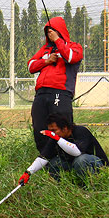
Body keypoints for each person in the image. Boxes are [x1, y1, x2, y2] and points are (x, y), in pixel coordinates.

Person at [27, 16, 83, 154]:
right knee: (39, 128)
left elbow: (71, 57)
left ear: (60, 31)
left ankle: (66, 159)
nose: (49, 34)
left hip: (60, 93)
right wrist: (46, 61)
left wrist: (58, 41)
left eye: (52, 31)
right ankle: (46, 160)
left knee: (61, 128)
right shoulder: (45, 49)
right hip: (41, 94)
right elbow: (31, 66)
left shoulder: (73, 47)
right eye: (48, 31)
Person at [18, 112, 109, 186]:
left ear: (65, 128)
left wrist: (57, 138)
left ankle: (89, 188)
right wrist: (28, 172)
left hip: (97, 165)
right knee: (53, 163)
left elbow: (77, 152)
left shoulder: (81, 131)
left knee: (81, 160)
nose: (51, 133)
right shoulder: (56, 138)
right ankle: (65, 188)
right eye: (50, 130)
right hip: (74, 164)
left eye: (54, 130)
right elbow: (43, 157)